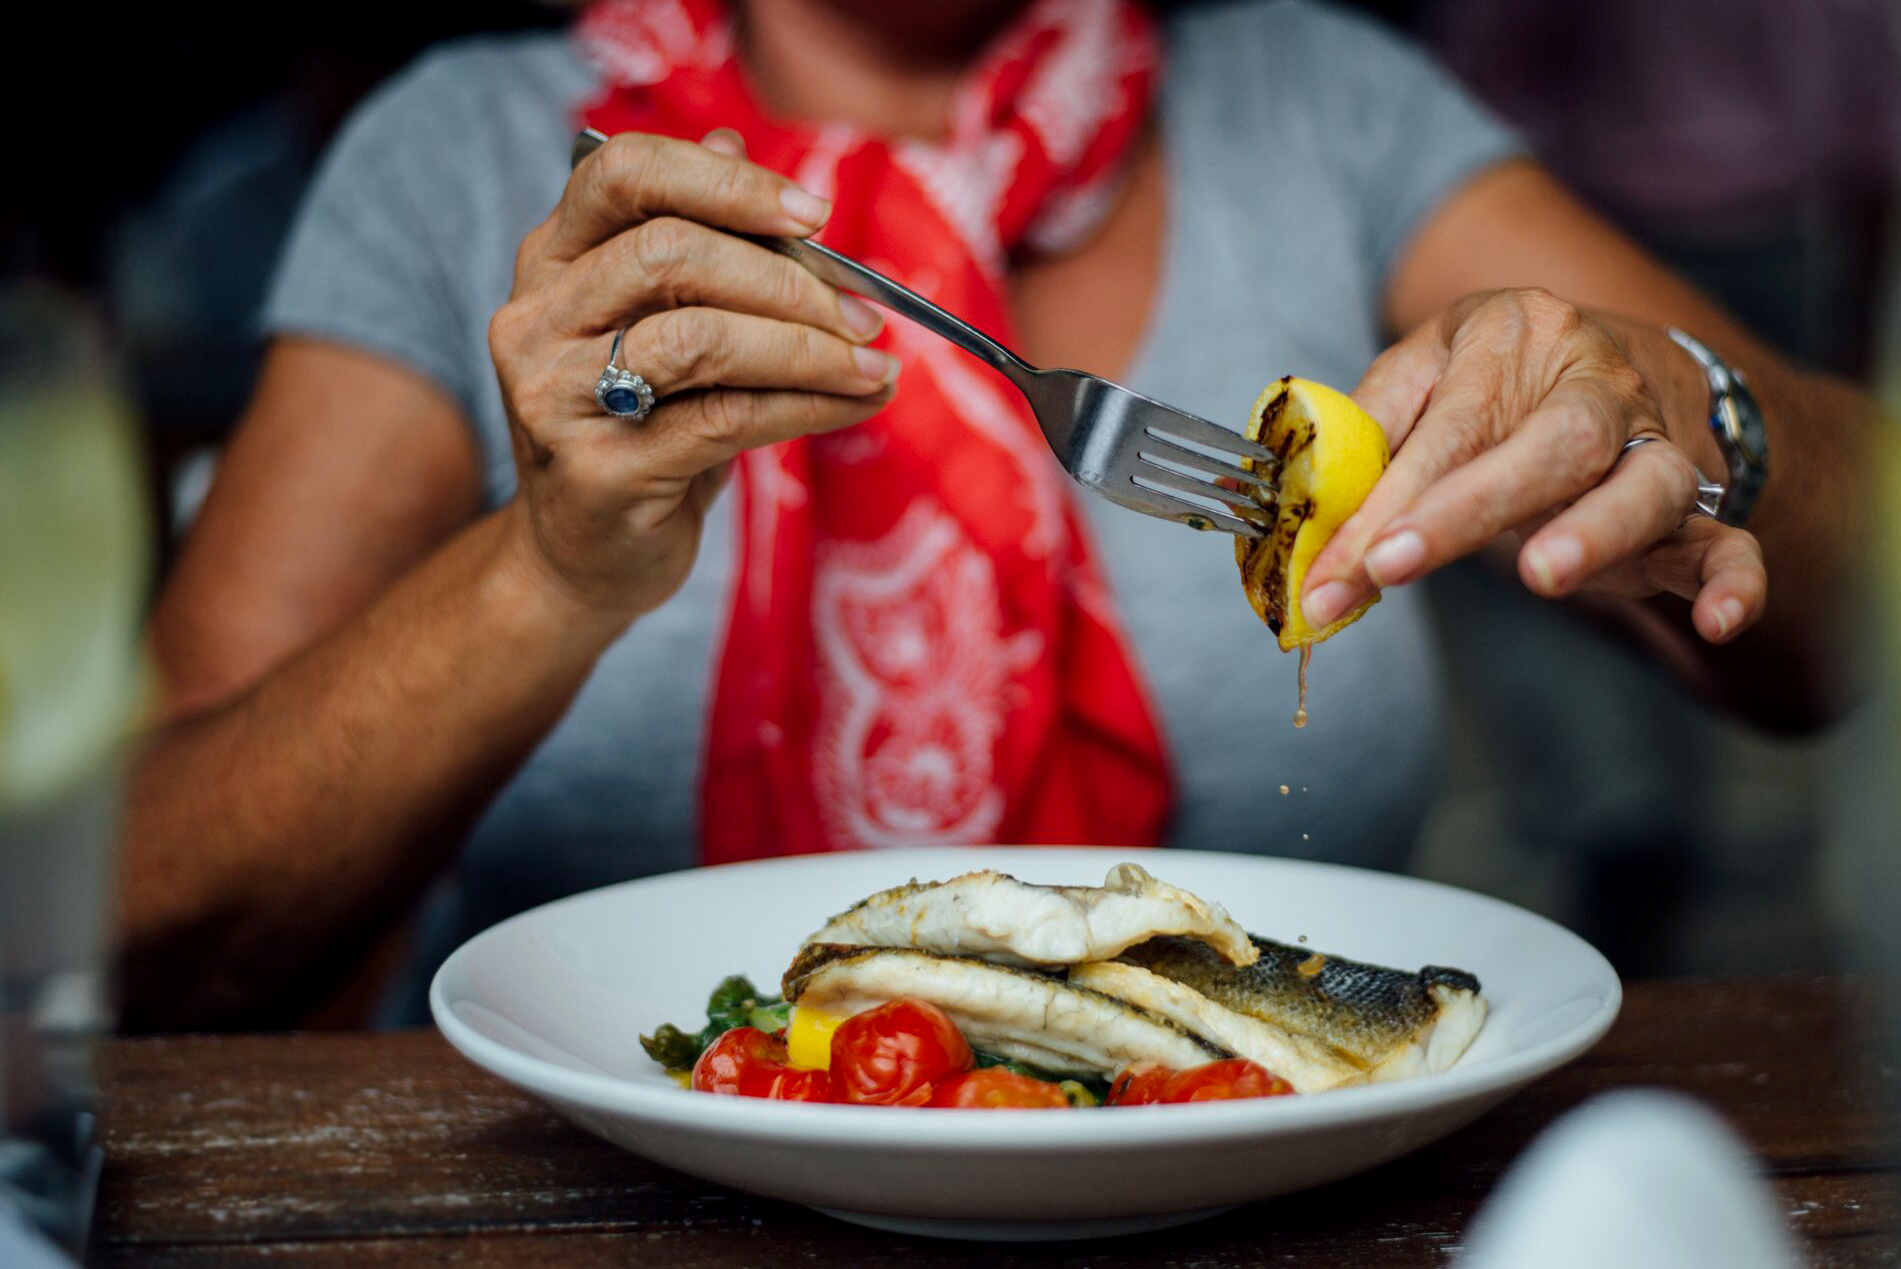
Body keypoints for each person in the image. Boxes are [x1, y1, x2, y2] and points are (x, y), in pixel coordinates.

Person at [122, 0, 1872, 1028]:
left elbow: (1839, 627)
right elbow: (148, 925)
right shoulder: (466, 151)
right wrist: (551, 568)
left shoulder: (1312, 103)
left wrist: (1693, 415)